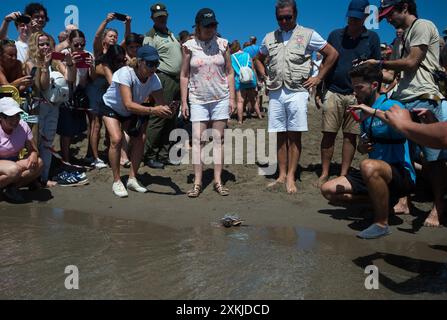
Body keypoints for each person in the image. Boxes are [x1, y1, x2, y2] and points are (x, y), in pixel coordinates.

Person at [369, 0, 446, 227]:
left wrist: (380, 62)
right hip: (404, 98)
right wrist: (367, 68)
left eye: (389, 13)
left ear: (404, 7)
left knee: (433, 158)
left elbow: (412, 63)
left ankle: (438, 207)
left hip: (423, 98)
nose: (387, 19)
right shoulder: (402, 37)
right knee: (407, 156)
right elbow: (392, 77)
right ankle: (405, 200)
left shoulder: (422, 25)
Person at [321, 64, 416, 239]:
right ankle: (383, 202)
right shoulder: (363, 110)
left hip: (400, 174)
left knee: (368, 165)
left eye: (359, 88)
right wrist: (362, 147)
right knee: (328, 191)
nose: (355, 92)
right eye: (353, 88)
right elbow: (362, 146)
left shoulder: (392, 104)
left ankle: (381, 223)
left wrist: (372, 111)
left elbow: (405, 126)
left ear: (374, 85)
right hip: (373, 173)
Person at [255, 0, 339, 194]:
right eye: (280, 18)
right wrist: (264, 76)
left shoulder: (308, 34)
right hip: (276, 91)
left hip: (297, 92)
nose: (284, 21)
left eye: (288, 17)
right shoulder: (269, 37)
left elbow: (332, 54)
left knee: (294, 135)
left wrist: (318, 77)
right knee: (279, 135)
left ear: (295, 15)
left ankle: (292, 176)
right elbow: (258, 59)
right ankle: (281, 174)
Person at [315, 0, 381, 188]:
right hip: (333, 91)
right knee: (328, 133)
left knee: (350, 136)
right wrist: (319, 90)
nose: (353, 21)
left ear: (366, 18)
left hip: (357, 96)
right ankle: (325, 172)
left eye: (357, 18)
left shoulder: (372, 38)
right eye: (351, 16)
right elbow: (325, 63)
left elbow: (377, 67)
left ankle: (343, 173)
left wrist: (374, 97)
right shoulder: (335, 35)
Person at [101, 45, 172, 198]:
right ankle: (117, 181)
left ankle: (132, 178)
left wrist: (168, 110)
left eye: (156, 64)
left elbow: (160, 103)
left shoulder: (154, 79)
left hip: (132, 110)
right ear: (139, 62)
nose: (154, 67)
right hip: (112, 106)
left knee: (140, 139)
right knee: (116, 139)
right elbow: (128, 104)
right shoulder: (125, 73)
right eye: (150, 64)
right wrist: (154, 110)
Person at [180, 8, 236, 198]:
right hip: (197, 99)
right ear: (197, 26)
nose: (210, 29)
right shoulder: (188, 46)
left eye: (213, 25)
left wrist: (232, 98)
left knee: (218, 139)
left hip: (220, 97)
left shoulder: (223, 44)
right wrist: (184, 102)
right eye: (207, 26)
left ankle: (218, 181)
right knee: (198, 140)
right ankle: (197, 183)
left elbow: (230, 72)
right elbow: (184, 75)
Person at [26, 31, 75, 187]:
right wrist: (44, 66)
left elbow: (71, 79)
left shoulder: (54, 61)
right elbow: (42, 86)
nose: (46, 47)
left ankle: (44, 177)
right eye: (42, 44)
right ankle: (32, 178)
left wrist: (70, 63)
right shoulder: (30, 62)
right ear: (35, 45)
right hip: (36, 109)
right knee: (35, 143)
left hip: (54, 107)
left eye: (48, 43)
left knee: (48, 143)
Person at [143, 3, 182, 170]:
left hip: (177, 79)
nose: (162, 18)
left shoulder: (171, 34)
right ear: (152, 18)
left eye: (164, 16)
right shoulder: (150, 36)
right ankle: (149, 155)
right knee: (159, 117)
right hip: (163, 78)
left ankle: (165, 154)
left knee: (171, 118)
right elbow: (147, 59)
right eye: (158, 16)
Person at [86, 45, 127, 170]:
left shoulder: (119, 64)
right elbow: (112, 82)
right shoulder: (104, 64)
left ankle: (111, 155)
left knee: (112, 126)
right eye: (118, 60)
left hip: (107, 93)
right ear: (111, 58)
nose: (121, 62)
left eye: (123, 59)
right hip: (96, 93)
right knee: (96, 125)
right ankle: (95, 157)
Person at [57, 30, 95, 165]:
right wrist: (71, 63)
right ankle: (66, 160)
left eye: (82, 45)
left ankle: (90, 156)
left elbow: (92, 78)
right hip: (67, 94)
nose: (79, 48)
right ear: (70, 43)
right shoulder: (64, 55)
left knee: (87, 125)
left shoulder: (88, 55)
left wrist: (91, 66)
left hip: (82, 94)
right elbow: (67, 78)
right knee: (67, 130)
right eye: (76, 45)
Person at [0, 97, 43, 202]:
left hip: (13, 162)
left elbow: (33, 149)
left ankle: (11, 188)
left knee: (39, 163)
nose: (15, 120)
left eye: (17, 116)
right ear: (1, 117)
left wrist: (33, 154)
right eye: (11, 117)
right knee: (14, 170)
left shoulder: (23, 126)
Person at [230, 40, 261, 124]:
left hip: (239, 81)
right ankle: (259, 116)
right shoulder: (247, 55)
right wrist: (256, 81)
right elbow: (252, 68)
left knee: (240, 101)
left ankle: (240, 120)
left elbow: (231, 71)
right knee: (253, 100)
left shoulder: (232, 57)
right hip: (250, 80)